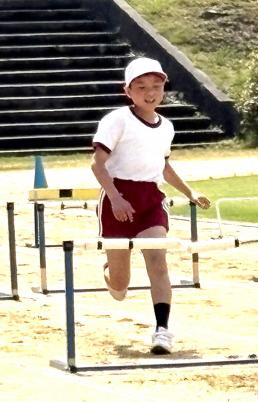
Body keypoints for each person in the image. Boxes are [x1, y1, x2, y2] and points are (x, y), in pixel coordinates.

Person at [90, 57, 211, 355]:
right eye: (141, 87)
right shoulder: (117, 120)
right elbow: (97, 164)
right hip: (117, 198)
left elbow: (164, 166)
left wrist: (190, 192)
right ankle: (112, 270)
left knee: (158, 262)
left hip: (151, 201)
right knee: (120, 288)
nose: (150, 92)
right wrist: (116, 198)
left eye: (156, 86)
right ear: (127, 91)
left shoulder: (166, 126)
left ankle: (162, 330)